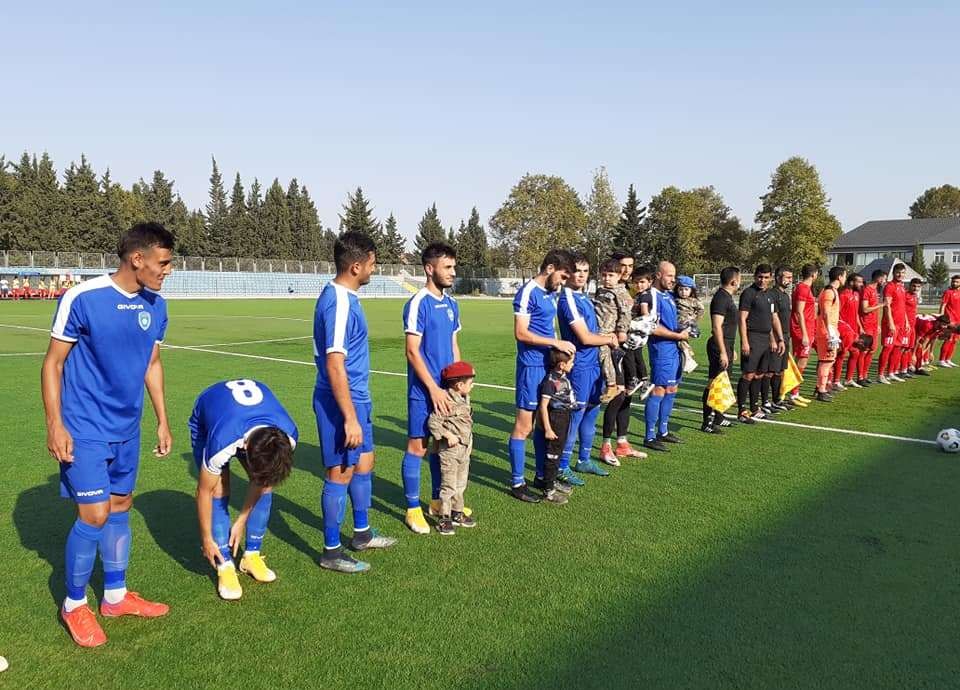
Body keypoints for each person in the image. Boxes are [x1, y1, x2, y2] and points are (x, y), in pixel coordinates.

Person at [41, 222, 174, 647]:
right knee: (93, 515)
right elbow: (52, 364)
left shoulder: (157, 306)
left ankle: (115, 596)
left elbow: (152, 363)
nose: (168, 270)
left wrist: (162, 419)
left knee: (120, 506)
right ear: (137, 259)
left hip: (126, 428)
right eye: (164, 262)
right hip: (84, 427)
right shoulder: (83, 298)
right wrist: (55, 424)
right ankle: (74, 605)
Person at [313, 231, 396, 574]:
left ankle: (361, 533)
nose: (374, 270)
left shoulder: (347, 297)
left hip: (357, 396)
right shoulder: (340, 302)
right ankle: (331, 551)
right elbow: (335, 362)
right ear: (356, 266)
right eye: (373, 264)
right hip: (340, 401)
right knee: (342, 471)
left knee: (364, 462)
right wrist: (349, 417)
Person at [189, 379, 298, 600]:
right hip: (209, 415)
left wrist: (241, 520)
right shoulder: (222, 442)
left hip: (247, 421)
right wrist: (206, 539)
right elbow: (203, 492)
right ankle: (225, 566)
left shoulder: (288, 436)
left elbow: (263, 480)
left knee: (265, 483)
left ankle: (251, 556)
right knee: (219, 487)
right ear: (245, 449)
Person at [401, 242, 463, 535]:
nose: (453, 272)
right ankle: (413, 509)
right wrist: (434, 390)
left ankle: (440, 502)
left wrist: (459, 384)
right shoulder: (418, 303)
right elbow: (412, 352)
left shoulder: (452, 304)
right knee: (419, 446)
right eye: (447, 267)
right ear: (430, 269)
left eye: (453, 266)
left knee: (444, 447)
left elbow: (453, 345)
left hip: (447, 391)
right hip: (423, 392)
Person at [508, 250, 575, 503]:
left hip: (546, 365)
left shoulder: (550, 294)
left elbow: (550, 327)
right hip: (530, 367)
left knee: (540, 424)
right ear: (549, 268)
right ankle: (516, 482)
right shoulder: (527, 292)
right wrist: (555, 341)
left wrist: (560, 350)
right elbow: (521, 333)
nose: (563, 281)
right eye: (562, 275)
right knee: (523, 426)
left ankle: (541, 476)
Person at [556, 254, 619, 479]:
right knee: (576, 415)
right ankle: (563, 465)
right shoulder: (568, 299)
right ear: (567, 273)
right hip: (580, 366)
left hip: (594, 364)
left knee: (592, 411)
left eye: (585, 271)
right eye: (577, 271)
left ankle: (583, 460)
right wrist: (609, 339)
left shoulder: (584, 298)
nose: (581, 275)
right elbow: (584, 337)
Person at [426, 361, 477, 535]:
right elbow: (433, 422)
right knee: (448, 485)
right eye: (470, 382)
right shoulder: (446, 401)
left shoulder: (464, 398)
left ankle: (457, 512)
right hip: (450, 451)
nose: (473, 386)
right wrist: (447, 435)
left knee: (461, 483)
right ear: (459, 385)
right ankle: (444, 517)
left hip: (465, 449)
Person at [643, 262, 689, 452]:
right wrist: (677, 335)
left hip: (674, 349)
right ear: (658, 275)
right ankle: (649, 436)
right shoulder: (652, 295)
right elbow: (651, 326)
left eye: (674, 276)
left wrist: (684, 330)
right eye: (669, 276)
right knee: (659, 390)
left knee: (671, 388)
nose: (673, 280)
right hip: (661, 350)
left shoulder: (668, 295)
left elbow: (669, 323)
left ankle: (663, 431)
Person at [736, 265, 784, 423]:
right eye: (759, 277)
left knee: (760, 375)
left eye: (765, 277)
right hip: (753, 337)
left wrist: (778, 339)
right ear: (755, 276)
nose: (762, 280)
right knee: (748, 374)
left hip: (765, 339)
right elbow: (742, 318)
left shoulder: (770, 295)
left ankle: (755, 408)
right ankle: (742, 411)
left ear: (770, 278)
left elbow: (774, 318)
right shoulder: (748, 294)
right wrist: (744, 341)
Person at [701, 267, 741, 433]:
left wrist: (731, 348)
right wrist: (724, 351)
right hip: (719, 346)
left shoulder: (727, 297)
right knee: (714, 383)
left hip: (726, 344)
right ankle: (706, 422)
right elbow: (717, 327)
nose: (739, 282)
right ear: (734, 281)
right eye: (739, 279)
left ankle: (718, 416)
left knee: (722, 382)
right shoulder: (721, 298)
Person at [535, 350, 577, 504]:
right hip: (556, 420)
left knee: (557, 453)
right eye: (571, 362)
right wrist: (548, 428)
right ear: (562, 365)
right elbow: (543, 406)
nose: (573, 364)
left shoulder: (562, 377)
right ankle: (549, 490)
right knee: (552, 455)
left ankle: (548, 480)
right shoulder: (550, 383)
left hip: (564, 417)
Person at [593, 258, 628, 402]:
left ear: (619, 276)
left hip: (608, 330)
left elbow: (625, 313)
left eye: (611, 275)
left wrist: (621, 331)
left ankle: (612, 384)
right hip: (596, 327)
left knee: (604, 353)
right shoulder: (600, 290)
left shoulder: (620, 292)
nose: (607, 278)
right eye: (604, 275)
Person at [814, 266, 846, 401]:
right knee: (826, 361)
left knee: (828, 360)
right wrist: (830, 331)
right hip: (827, 332)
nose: (845, 278)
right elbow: (825, 312)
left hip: (829, 330)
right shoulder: (829, 292)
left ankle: (820, 387)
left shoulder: (831, 291)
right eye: (844, 276)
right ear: (839, 277)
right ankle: (821, 390)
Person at [789, 264, 818, 405]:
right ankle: (793, 394)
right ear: (814, 274)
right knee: (801, 361)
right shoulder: (803, 288)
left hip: (807, 328)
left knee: (801, 361)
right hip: (802, 330)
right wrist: (805, 334)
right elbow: (799, 311)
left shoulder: (805, 288)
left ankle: (794, 392)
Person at [878, 263, 909, 384]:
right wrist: (890, 322)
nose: (900, 275)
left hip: (901, 323)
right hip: (891, 323)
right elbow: (887, 306)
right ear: (894, 273)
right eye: (898, 272)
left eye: (902, 273)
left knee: (897, 348)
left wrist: (906, 321)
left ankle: (891, 373)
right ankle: (880, 375)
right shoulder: (889, 286)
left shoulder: (902, 287)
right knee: (887, 348)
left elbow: (903, 307)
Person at [768, 267, 794, 410]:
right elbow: (772, 318)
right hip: (777, 337)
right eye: (787, 277)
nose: (789, 280)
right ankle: (770, 400)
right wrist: (774, 338)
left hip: (785, 335)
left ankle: (777, 399)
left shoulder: (785, 295)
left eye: (791, 277)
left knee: (781, 369)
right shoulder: (773, 294)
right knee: (773, 369)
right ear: (778, 277)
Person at [834, 273, 864, 390]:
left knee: (855, 353)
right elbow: (837, 312)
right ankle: (835, 381)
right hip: (844, 331)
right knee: (841, 354)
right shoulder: (843, 294)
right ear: (851, 282)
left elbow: (856, 313)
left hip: (853, 331)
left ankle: (848, 379)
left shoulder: (856, 294)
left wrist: (860, 326)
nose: (861, 284)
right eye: (859, 282)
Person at [857, 269, 886, 385]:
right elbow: (865, 309)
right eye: (884, 278)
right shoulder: (867, 290)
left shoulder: (875, 291)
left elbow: (874, 310)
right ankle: (860, 377)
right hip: (866, 325)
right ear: (879, 278)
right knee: (864, 350)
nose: (885, 281)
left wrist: (877, 324)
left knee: (872, 350)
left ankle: (865, 375)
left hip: (873, 325)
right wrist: (881, 305)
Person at [674, 275, 703, 372]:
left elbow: (701, 310)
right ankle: (687, 356)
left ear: (691, 290)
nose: (683, 292)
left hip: (687, 325)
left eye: (686, 289)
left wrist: (694, 319)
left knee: (681, 339)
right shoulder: (675, 299)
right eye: (681, 289)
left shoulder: (694, 301)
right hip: (676, 324)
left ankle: (688, 357)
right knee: (678, 342)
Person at [899, 278, 923, 377]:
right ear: (910, 285)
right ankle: (900, 369)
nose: (915, 288)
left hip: (912, 325)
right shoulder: (905, 295)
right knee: (903, 348)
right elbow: (902, 309)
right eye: (914, 286)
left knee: (909, 347)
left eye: (918, 286)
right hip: (906, 325)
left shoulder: (915, 296)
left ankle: (907, 367)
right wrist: (906, 322)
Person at [937, 274, 960, 367]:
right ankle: (941, 360)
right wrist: (941, 318)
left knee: (955, 340)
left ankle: (948, 359)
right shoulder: (948, 292)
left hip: (958, 320)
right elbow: (943, 305)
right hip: (950, 320)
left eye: (957, 282)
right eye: (953, 281)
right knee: (948, 339)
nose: (954, 283)